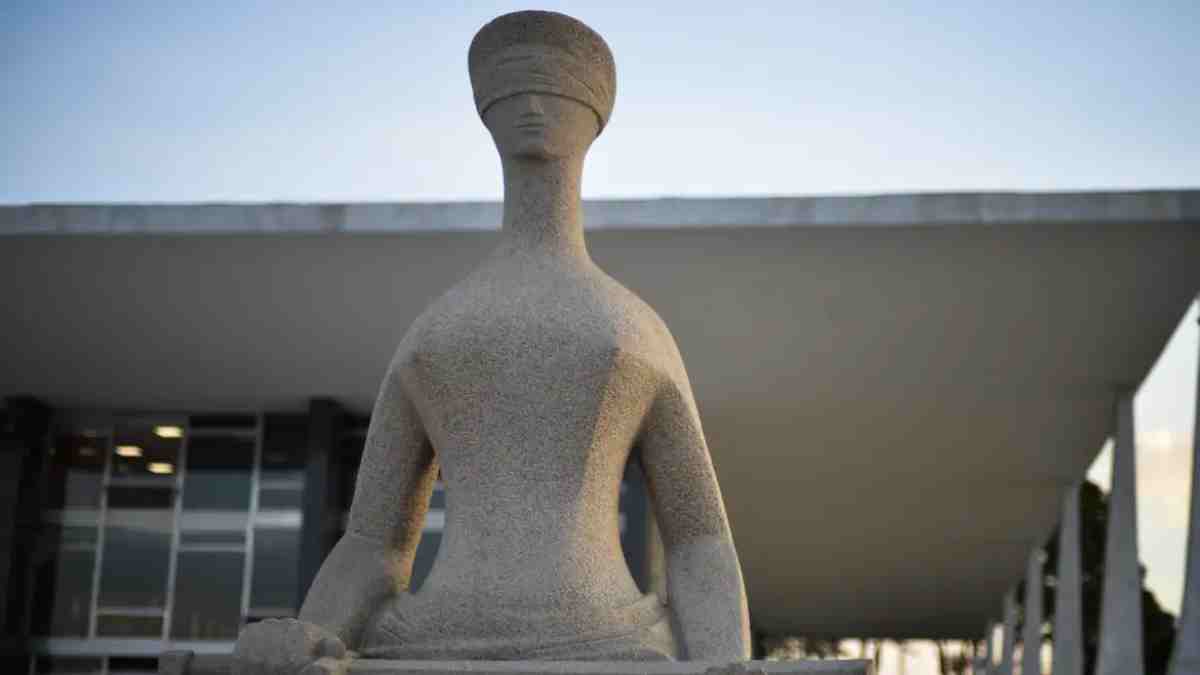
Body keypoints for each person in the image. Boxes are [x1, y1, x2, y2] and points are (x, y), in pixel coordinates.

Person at [233, 11, 749, 674]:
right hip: (433, 640)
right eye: (515, 87)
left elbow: (700, 537)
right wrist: (312, 635)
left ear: (595, 112)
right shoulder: (437, 334)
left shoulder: (633, 331)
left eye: (553, 87)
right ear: (485, 110)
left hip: (611, 639)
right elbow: (374, 542)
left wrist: (726, 659)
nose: (533, 106)